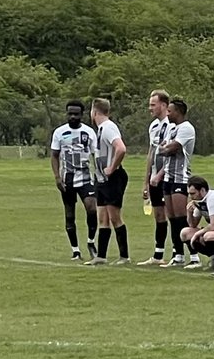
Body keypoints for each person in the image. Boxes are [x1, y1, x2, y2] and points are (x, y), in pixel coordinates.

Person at [49, 100, 99, 260]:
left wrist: (98, 174)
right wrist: (57, 177)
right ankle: (75, 250)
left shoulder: (89, 132)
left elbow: (95, 155)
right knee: (70, 214)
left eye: (76, 114)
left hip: (85, 176)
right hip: (68, 177)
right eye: (70, 113)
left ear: (81, 115)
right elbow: (55, 156)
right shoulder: (59, 132)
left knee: (91, 208)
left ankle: (91, 241)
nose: (72, 117)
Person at [85, 97, 130, 265]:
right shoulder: (100, 129)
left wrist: (112, 168)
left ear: (94, 112)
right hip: (101, 179)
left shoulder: (109, 128)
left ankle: (124, 256)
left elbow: (121, 148)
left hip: (112, 178)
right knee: (102, 218)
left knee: (114, 217)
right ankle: (101, 256)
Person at [156, 98, 200, 269]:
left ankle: (194, 256)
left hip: (180, 178)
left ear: (179, 112)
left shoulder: (187, 128)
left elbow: (170, 148)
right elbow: (162, 149)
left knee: (182, 219)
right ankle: (178, 254)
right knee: (172, 219)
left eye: (170, 111)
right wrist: (164, 148)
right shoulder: (172, 129)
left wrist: (165, 148)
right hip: (168, 177)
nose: (167, 114)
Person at [138, 90, 171, 266]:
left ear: (164, 105)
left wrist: (161, 174)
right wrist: (146, 180)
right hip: (154, 178)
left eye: (153, 104)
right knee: (158, 214)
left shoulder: (172, 125)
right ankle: (158, 255)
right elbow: (152, 153)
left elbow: (173, 153)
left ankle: (178, 254)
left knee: (172, 214)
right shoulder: (153, 126)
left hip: (168, 177)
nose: (150, 108)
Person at [182, 176, 214, 272]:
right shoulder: (199, 201)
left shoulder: (213, 197)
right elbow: (193, 225)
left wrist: (198, 234)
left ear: (202, 190)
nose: (191, 197)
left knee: (208, 236)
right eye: (189, 194)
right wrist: (189, 213)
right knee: (185, 233)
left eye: (193, 193)